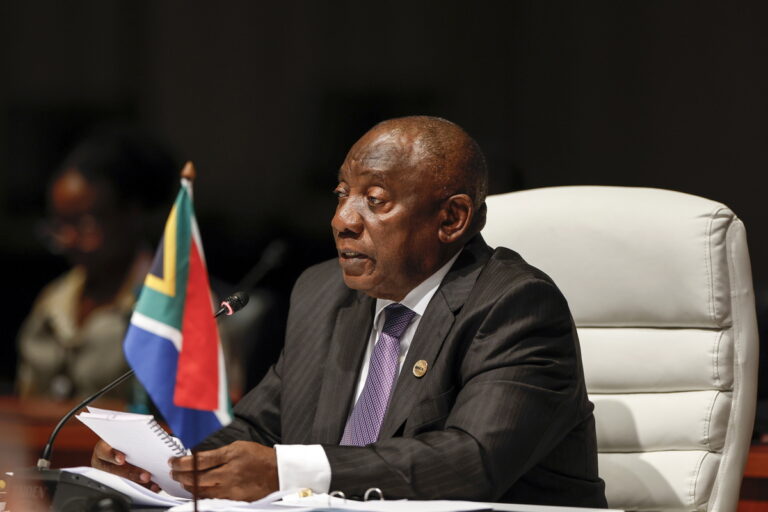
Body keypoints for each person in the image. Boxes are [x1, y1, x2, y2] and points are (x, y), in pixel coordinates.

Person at [92, 116, 607, 507]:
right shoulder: (324, 293)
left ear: (451, 219)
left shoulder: (515, 306)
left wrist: (287, 471)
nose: (342, 219)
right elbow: (259, 431)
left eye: (375, 200)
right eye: (342, 195)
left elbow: (471, 461)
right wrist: (165, 463)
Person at [16, 129, 178, 400]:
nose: (68, 239)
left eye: (85, 223)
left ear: (132, 215)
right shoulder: (53, 300)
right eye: (59, 225)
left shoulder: (174, 305)